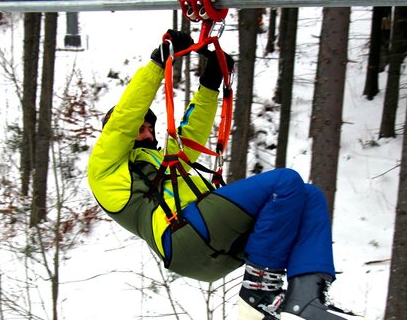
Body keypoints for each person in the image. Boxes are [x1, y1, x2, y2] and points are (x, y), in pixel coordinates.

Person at [87, 29, 344, 320]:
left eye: (148, 128)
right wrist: (158, 64)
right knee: (284, 183)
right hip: (181, 235)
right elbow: (123, 120)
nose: (146, 133)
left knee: (310, 196)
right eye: (139, 129)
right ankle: (258, 293)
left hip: (208, 243)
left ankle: (307, 297)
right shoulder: (105, 172)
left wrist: (210, 82)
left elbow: (192, 132)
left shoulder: (165, 163)